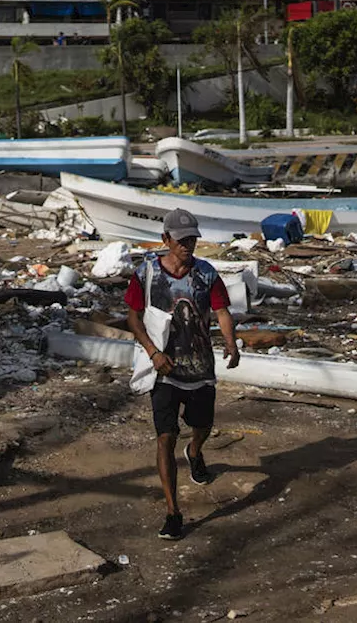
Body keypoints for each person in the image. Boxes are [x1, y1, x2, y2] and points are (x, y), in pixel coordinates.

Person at [125, 208, 240, 541]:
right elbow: (132, 318)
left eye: (192, 239)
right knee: (165, 437)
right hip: (163, 369)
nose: (188, 245)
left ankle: (196, 452)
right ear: (166, 239)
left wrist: (231, 343)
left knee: (202, 425)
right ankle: (173, 512)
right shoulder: (145, 273)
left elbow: (221, 310)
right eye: (181, 240)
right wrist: (153, 353)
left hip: (200, 368)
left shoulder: (206, 274)